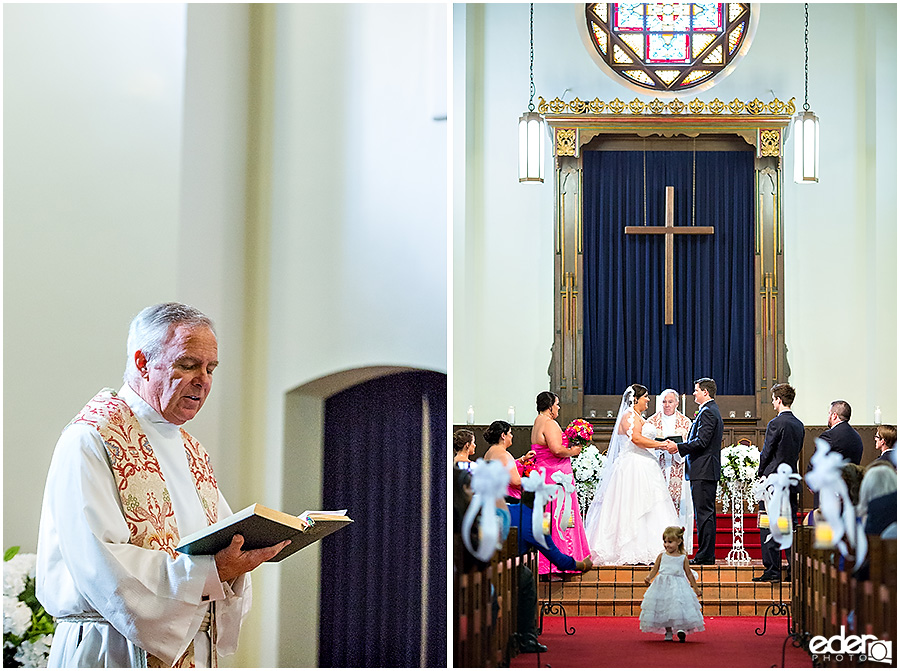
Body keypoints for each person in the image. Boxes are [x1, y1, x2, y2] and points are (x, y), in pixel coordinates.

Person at [36, 303, 289, 668]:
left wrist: (239, 556)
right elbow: (100, 564)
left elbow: (218, 537)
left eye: (211, 368)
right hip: (112, 649)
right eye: (188, 365)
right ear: (142, 363)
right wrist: (212, 572)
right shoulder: (92, 439)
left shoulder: (191, 450)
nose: (203, 380)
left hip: (192, 649)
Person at [583, 384, 679, 565]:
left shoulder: (638, 417)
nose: (649, 400)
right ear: (636, 399)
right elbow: (635, 439)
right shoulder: (628, 416)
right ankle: (629, 549)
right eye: (646, 397)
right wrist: (660, 445)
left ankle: (650, 548)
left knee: (650, 507)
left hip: (645, 465)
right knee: (632, 507)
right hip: (633, 467)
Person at [530, 391, 592, 575]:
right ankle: (563, 560)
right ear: (549, 406)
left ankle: (547, 561)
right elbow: (556, 449)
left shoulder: (537, 421)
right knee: (561, 517)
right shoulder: (549, 423)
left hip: (545, 474)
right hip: (556, 479)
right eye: (556, 404)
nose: (558, 408)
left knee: (548, 517)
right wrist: (575, 451)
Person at [753, 383, 805, 582]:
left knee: (768, 523)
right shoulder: (799, 424)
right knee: (789, 525)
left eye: (774, 399)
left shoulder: (776, 423)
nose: (773, 403)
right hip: (790, 479)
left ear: (779, 400)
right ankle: (793, 570)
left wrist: (760, 474)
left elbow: (767, 452)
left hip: (773, 481)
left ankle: (772, 570)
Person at [677, 377, 724, 566]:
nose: (693, 393)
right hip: (704, 470)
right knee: (705, 513)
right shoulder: (709, 410)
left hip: (703, 470)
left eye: (696, 390)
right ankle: (705, 553)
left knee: (704, 514)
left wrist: (679, 447)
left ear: (705, 392)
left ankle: (705, 554)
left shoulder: (708, 412)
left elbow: (702, 442)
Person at [646, 388, 693, 552]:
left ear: (677, 403)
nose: (667, 405)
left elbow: (689, 446)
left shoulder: (686, 422)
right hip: (657, 466)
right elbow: (646, 444)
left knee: (679, 507)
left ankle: (680, 545)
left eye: (670, 401)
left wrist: (676, 448)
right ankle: (655, 545)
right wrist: (661, 447)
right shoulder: (651, 422)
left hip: (677, 468)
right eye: (664, 402)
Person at [639, 526, 704, 643]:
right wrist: (649, 577)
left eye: (670, 542)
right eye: (665, 542)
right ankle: (668, 631)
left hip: (679, 587)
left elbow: (689, 574)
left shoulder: (682, 558)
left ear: (679, 542)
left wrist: (696, 588)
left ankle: (680, 629)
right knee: (665, 608)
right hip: (662, 585)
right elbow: (655, 569)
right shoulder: (662, 556)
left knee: (679, 607)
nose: (667, 545)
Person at [483, 420, 535, 502]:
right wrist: (532, 481)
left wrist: (523, 459)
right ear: (503, 435)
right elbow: (515, 481)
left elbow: (503, 466)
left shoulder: (489, 452)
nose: (512, 436)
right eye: (510, 433)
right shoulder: (504, 455)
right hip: (507, 497)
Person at [819, 400, 864, 465]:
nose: (828, 417)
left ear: (834, 415)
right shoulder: (857, 436)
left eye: (829, 413)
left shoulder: (829, 436)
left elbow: (818, 463)